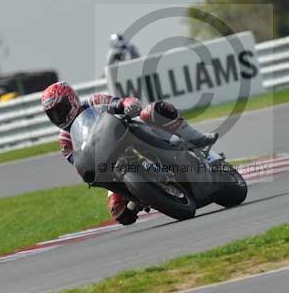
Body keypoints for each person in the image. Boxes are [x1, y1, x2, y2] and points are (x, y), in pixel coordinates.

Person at [41, 81, 217, 225]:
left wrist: (129, 104)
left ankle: (196, 138)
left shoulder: (94, 101)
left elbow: (120, 102)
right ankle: (142, 195)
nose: (58, 116)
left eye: (61, 109)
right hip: (110, 164)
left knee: (153, 111)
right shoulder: (65, 141)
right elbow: (81, 162)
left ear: (71, 100)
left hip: (131, 133)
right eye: (53, 114)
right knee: (119, 213)